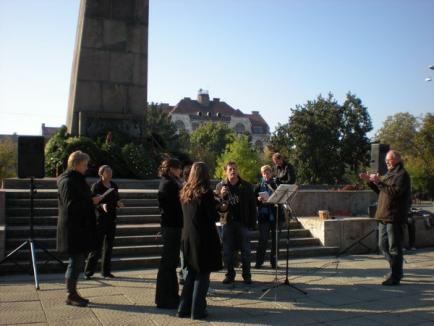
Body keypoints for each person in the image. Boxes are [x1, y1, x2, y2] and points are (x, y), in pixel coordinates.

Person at [177, 162, 222, 320]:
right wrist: (219, 208)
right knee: (203, 275)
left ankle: (183, 308)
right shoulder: (205, 192)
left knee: (190, 275)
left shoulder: (185, 191)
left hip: (187, 236)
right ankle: (197, 310)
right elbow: (212, 217)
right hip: (203, 238)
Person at [359, 150, 411, 286]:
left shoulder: (402, 175)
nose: (387, 162)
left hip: (395, 216)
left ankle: (396, 275)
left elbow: (394, 192)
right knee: (382, 245)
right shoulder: (389, 174)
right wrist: (371, 182)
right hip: (383, 215)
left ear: (397, 159)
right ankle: (396, 269)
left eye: (390, 160)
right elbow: (382, 192)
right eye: (386, 160)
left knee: (394, 247)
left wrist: (379, 182)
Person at [57, 151, 101, 307]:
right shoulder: (67, 181)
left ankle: (73, 293)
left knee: (77, 261)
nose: (86, 167)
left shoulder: (76, 179)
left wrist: (91, 200)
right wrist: (91, 201)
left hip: (79, 227)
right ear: (76, 164)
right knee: (75, 261)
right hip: (73, 229)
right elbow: (71, 206)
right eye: (84, 164)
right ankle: (71, 294)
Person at [216, 161, 257, 284]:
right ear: (226, 172)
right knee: (227, 251)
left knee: (246, 251)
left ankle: (247, 275)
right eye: (230, 169)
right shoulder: (220, 186)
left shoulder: (246, 185)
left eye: (234, 168)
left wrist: (252, 223)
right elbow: (217, 207)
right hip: (227, 223)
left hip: (242, 223)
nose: (233, 171)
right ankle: (230, 275)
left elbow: (252, 205)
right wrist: (221, 196)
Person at [84, 165, 124, 279]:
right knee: (96, 246)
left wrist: (118, 203)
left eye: (111, 171)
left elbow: (117, 198)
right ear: (101, 174)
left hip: (111, 218)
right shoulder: (96, 186)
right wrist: (101, 205)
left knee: (109, 246)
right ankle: (88, 272)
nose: (110, 174)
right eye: (108, 172)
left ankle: (106, 272)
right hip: (100, 219)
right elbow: (93, 202)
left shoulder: (114, 185)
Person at [155, 158, 183, 309]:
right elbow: (175, 206)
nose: (180, 171)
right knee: (168, 263)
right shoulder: (169, 184)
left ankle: (171, 295)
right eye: (178, 168)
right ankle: (165, 298)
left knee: (171, 264)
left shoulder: (173, 182)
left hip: (173, 225)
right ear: (172, 169)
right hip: (171, 226)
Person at [254, 165, 282, 269]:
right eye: (264, 173)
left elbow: (281, 197)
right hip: (263, 216)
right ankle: (259, 262)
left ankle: (274, 262)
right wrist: (258, 199)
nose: (266, 174)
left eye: (268, 172)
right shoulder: (258, 186)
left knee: (276, 241)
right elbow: (253, 200)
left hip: (275, 215)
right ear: (262, 174)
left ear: (271, 173)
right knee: (263, 240)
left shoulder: (275, 184)